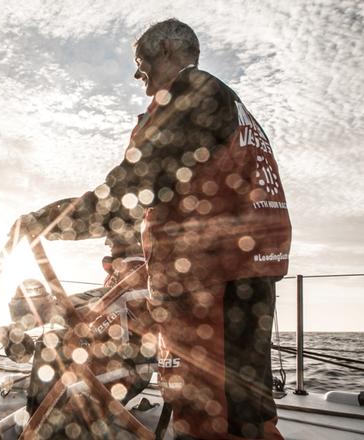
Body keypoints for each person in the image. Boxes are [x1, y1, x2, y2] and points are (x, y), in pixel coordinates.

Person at [21, 18, 291, 440]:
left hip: (208, 279)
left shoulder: (191, 94)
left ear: (166, 49)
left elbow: (133, 187)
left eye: (140, 61)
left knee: (209, 415)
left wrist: (47, 221)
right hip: (241, 272)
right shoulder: (230, 105)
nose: (136, 74)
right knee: (243, 411)